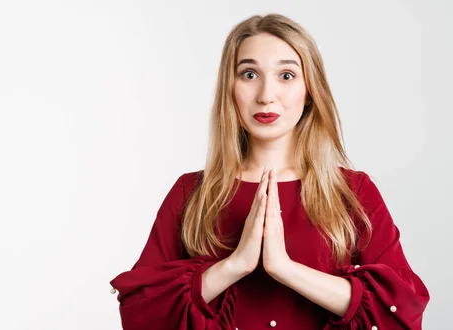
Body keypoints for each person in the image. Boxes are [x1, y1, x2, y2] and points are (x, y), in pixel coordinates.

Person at [109, 13, 430, 330]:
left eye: (286, 76)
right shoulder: (191, 193)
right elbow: (143, 313)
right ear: (229, 89)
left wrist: (284, 268)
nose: (265, 95)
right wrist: (235, 265)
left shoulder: (352, 191)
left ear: (309, 91)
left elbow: (402, 310)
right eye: (249, 74)